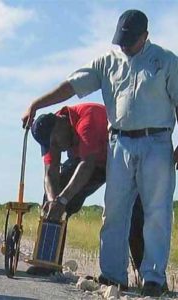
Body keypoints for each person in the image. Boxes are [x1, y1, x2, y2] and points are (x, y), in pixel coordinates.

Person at [22, 9, 178, 296]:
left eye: (130, 40)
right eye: (121, 40)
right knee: (113, 210)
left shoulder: (165, 61)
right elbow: (71, 86)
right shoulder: (107, 62)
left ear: (145, 36)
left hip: (157, 142)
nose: (124, 46)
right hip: (120, 144)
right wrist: (37, 103)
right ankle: (112, 275)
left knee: (156, 211)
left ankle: (153, 278)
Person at [27, 102, 144, 281]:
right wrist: (53, 200)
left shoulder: (87, 118)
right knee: (53, 198)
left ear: (61, 122)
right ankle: (47, 261)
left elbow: (86, 166)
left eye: (56, 142)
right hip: (93, 162)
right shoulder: (50, 134)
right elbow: (50, 173)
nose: (57, 148)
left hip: (121, 160)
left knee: (134, 216)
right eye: (52, 146)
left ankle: (147, 276)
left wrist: (63, 200)